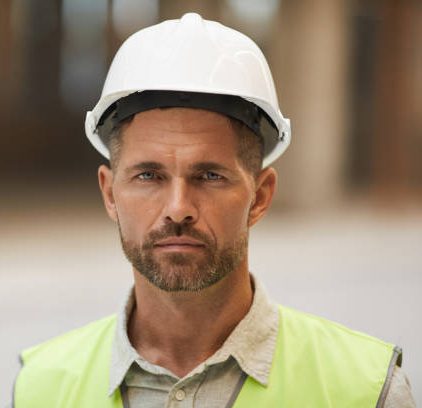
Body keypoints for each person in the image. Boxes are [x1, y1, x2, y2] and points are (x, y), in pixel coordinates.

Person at [13, 13, 415, 408]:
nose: (177, 209)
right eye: (149, 176)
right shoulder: (39, 388)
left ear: (260, 196)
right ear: (110, 194)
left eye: (208, 176)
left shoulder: (364, 390)